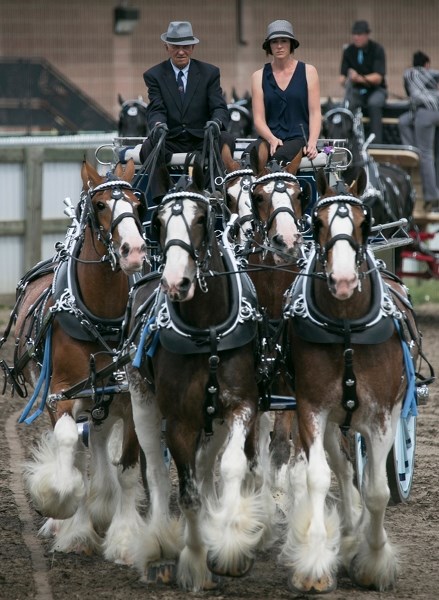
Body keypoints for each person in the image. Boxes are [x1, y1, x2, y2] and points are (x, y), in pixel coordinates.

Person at [139, 21, 234, 203]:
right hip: (171, 138)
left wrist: (216, 123)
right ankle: (161, 196)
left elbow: (219, 107)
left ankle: (212, 190)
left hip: (202, 138)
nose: (181, 51)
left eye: (185, 46)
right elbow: (156, 108)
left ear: (193, 47)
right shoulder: (154, 75)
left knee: (226, 139)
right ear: (166, 47)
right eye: (175, 46)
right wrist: (158, 125)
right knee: (149, 145)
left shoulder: (210, 72)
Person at [246, 19, 321, 164]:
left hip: (299, 138)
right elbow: (259, 119)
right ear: (269, 46)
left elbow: (315, 113)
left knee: (279, 159)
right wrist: (271, 138)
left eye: (284, 41)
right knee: (248, 159)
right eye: (274, 42)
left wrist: (312, 142)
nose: (279, 46)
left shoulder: (309, 71)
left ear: (291, 44)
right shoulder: (258, 76)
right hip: (269, 137)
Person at [399, 51, 439, 212]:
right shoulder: (434, 73)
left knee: (426, 155)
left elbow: (409, 94)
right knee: (403, 121)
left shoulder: (409, 73)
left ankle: (432, 197)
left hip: (425, 114)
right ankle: (412, 149)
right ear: (427, 63)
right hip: (433, 112)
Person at [340, 20, 387, 144]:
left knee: (374, 104)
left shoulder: (377, 49)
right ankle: (348, 142)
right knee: (347, 104)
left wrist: (359, 78)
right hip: (356, 90)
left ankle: (377, 144)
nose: (356, 37)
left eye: (359, 34)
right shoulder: (348, 51)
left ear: (367, 34)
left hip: (376, 90)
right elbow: (341, 78)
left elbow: (378, 78)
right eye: (354, 34)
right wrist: (348, 78)